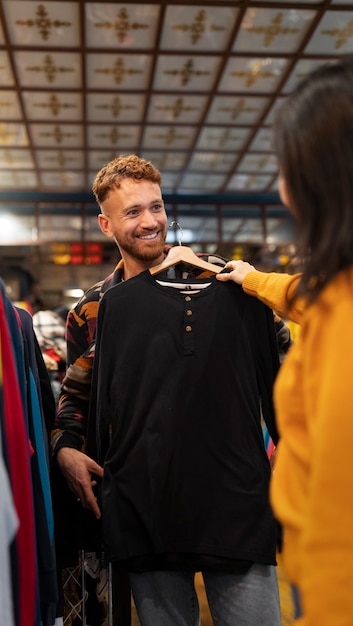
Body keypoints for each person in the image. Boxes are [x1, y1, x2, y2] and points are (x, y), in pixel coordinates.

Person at [50, 154, 290, 625]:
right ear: (106, 224)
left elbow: (285, 365)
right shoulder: (95, 310)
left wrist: (291, 439)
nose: (150, 222)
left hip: (233, 498)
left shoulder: (231, 283)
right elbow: (78, 395)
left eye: (155, 207)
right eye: (133, 212)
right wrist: (66, 448)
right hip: (147, 502)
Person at [216, 56, 353, 626]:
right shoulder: (331, 294)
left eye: (285, 168)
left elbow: (338, 516)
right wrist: (252, 279)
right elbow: (304, 293)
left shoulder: (342, 321)